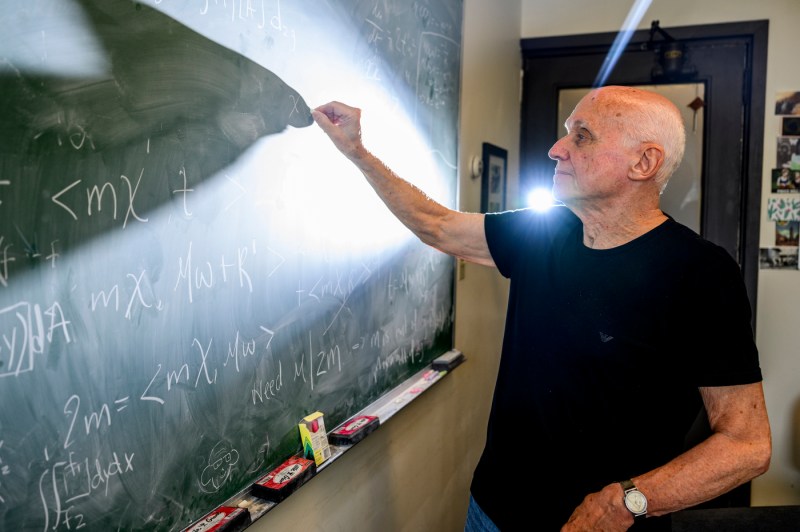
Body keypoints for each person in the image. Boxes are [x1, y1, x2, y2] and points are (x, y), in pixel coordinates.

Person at [311, 86, 771, 531]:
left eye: (582, 136)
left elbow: (747, 444)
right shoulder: (544, 232)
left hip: (603, 527)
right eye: (566, 132)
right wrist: (358, 153)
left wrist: (627, 501)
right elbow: (437, 225)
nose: (556, 149)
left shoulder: (702, 274)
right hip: (492, 510)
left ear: (643, 161)